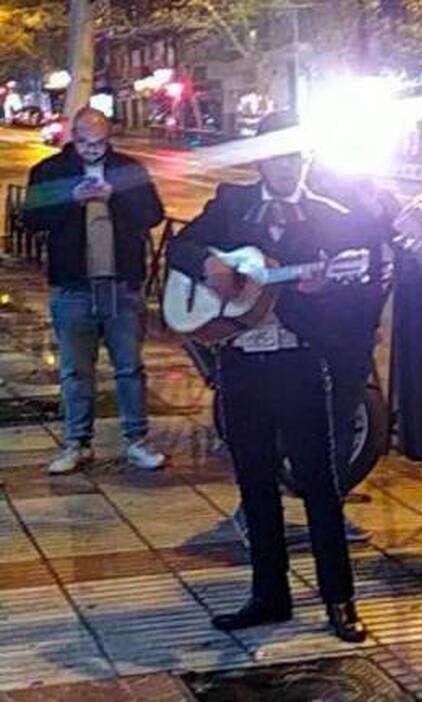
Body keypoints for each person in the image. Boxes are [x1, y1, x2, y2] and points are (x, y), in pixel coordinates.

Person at [165, 111, 390, 643]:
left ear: (307, 158)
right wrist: (210, 266)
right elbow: (179, 247)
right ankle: (268, 596)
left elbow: (362, 296)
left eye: (296, 155)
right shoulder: (231, 204)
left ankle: (340, 599)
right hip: (241, 363)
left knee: (318, 484)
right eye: (277, 154)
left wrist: (320, 295)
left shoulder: (333, 217)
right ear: (261, 157)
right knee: (255, 481)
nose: (286, 165)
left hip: (300, 363)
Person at [24, 107, 167, 475]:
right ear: (73, 136)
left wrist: (115, 195)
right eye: (85, 142)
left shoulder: (127, 169)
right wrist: (72, 198)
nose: (92, 150)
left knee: (129, 368)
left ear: (109, 138)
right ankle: (77, 443)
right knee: (75, 370)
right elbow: (31, 219)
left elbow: (153, 213)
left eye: (100, 143)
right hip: (73, 285)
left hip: (121, 283)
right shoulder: (50, 171)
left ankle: (136, 440)